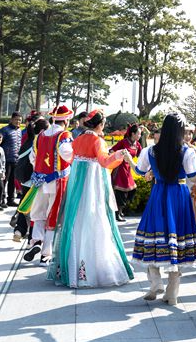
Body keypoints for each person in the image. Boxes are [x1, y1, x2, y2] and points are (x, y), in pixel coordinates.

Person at [134, 113, 196, 306]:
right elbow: (194, 176)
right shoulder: (186, 152)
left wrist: (144, 168)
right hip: (179, 196)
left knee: (153, 235)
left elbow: (139, 171)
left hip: (159, 194)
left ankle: (155, 281)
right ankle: (172, 293)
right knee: (177, 238)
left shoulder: (151, 151)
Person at [48, 110, 135, 288]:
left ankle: (72, 269)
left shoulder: (78, 139)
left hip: (77, 189)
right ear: (100, 125)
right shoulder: (98, 141)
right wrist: (119, 155)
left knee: (76, 221)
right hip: (93, 188)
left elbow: (70, 158)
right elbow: (105, 161)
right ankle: (95, 268)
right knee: (96, 220)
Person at [20, 105, 74, 264]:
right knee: (54, 216)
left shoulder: (40, 136)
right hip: (58, 181)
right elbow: (67, 153)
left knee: (39, 214)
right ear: (66, 120)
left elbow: (33, 158)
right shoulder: (64, 135)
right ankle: (46, 254)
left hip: (39, 182)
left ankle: (36, 240)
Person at [110, 123, 142, 223]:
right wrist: (119, 155)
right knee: (121, 192)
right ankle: (117, 213)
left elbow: (141, 155)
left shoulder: (137, 144)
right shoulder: (123, 142)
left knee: (132, 190)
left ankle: (121, 210)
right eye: (138, 134)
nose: (140, 136)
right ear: (133, 134)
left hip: (128, 169)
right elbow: (111, 150)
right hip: (120, 169)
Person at [0, 112, 23, 206]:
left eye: (20, 120)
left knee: (12, 181)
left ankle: (11, 199)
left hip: (16, 160)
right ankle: (0, 199)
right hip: (6, 160)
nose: (18, 122)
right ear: (11, 119)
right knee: (3, 180)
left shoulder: (20, 131)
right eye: (16, 119)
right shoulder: (4, 130)